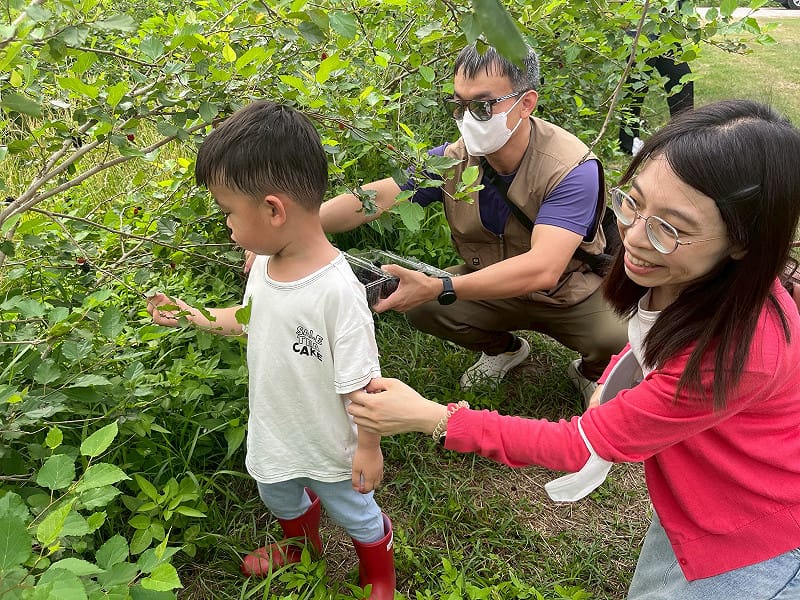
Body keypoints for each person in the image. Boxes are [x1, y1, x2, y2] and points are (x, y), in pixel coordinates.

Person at [347, 100, 800, 599]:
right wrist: (610, 384)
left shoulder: (735, 352)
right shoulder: (690, 277)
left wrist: (433, 417)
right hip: (698, 499)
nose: (634, 237)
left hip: (756, 533)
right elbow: (644, 341)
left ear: (743, 241)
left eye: (671, 227)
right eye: (633, 203)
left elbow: (577, 445)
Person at [146, 101, 395, 598]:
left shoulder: (338, 293)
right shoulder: (263, 263)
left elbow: (365, 384)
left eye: (228, 212)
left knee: (357, 515)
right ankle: (301, 547)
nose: (227, 225)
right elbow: (248, 321)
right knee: (278, 495)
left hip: (330, 445)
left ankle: (378, 573)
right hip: (275, 432)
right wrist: (192, 314)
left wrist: (369, 448)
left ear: (273, 210)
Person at [316, 43, 629, 401]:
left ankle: (592, 370)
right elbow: (379, 197)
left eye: (482, 106)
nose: (467, 118)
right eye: (458, 104)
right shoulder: (454, 160)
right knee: (420, 304)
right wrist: (302, 226)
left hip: (567, 291)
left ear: (526, 103)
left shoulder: (570, 168)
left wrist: (442, 287)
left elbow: (544, 269)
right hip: (489, 283)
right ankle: (504, 350)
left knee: (618, 334)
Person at [618, 3, 694, 155]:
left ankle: (683, 135)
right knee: (637, 84)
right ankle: (628, 142)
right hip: (639, 24)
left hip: (663, 27)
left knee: (682, 77)